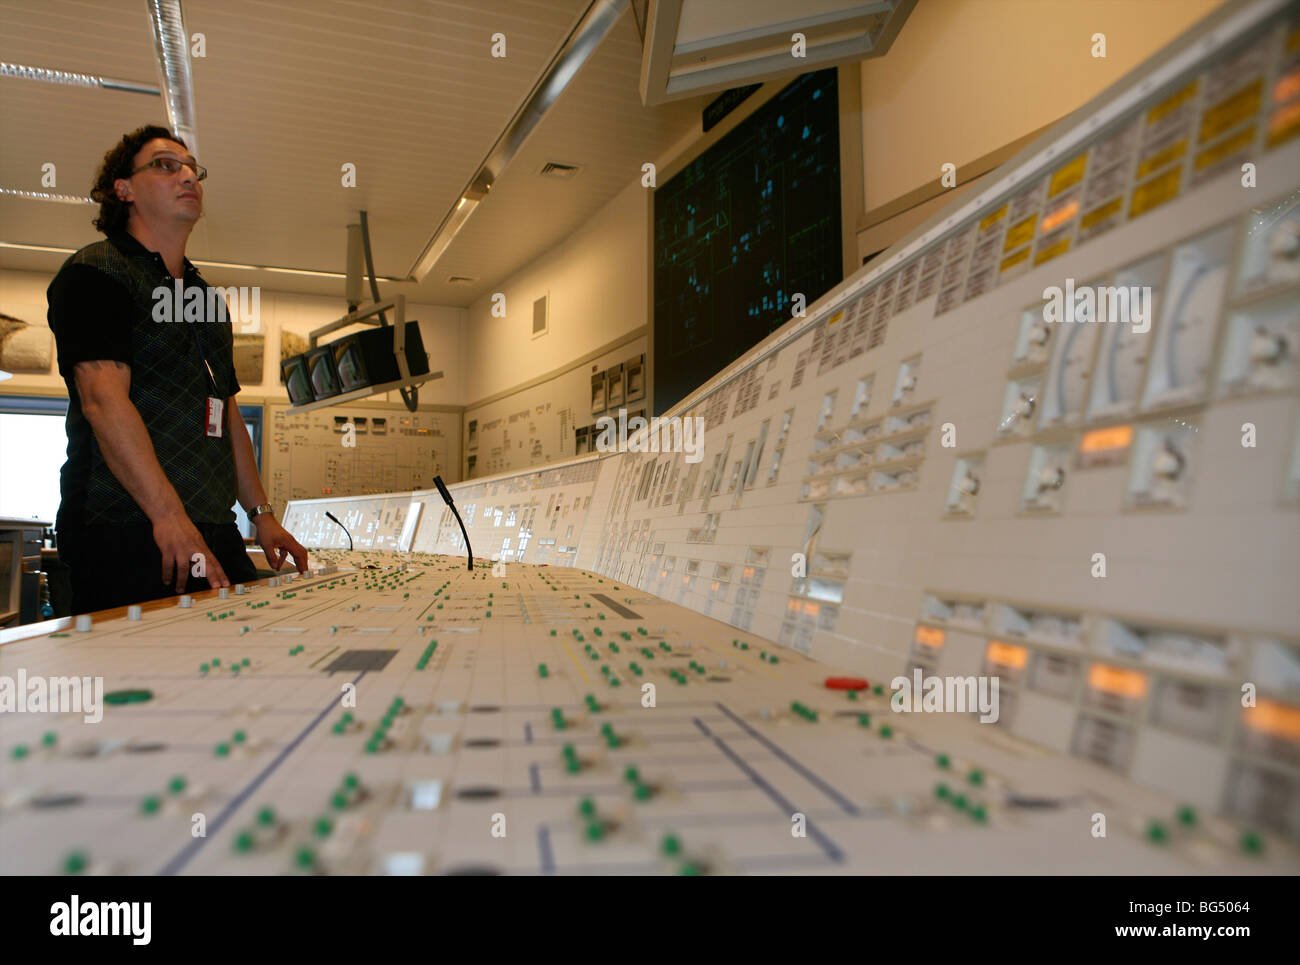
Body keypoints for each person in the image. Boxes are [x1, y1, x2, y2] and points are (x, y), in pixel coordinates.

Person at [47, 125, 308, 615]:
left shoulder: (206, 300)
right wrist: (167, 515)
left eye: (193, 169)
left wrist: (262, 515)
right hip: (123, 524)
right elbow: (104, 402)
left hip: (209, 522)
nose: (187, 176)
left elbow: (227, 411)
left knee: (233, 666)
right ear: (123, 189)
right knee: (141, 684)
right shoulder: (96, 273)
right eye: (166, 165)